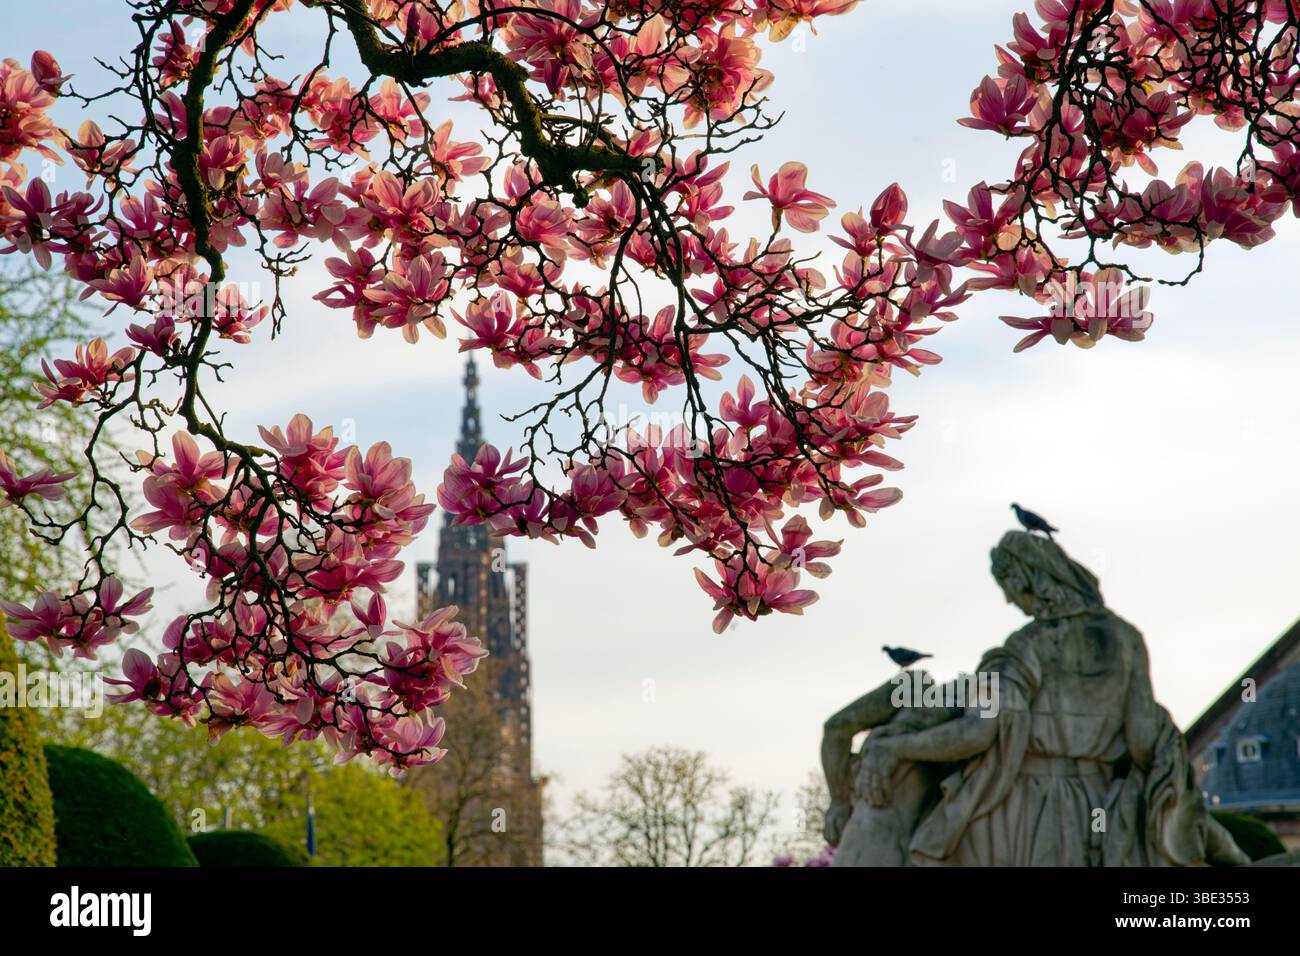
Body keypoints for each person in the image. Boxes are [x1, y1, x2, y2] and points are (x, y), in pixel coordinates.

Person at [823, 531, 1248, 866]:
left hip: (1025, 811)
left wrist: (895, 748)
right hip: (1098, 804)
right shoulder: (1126, 640)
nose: (1010, 598)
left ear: (1024, 578)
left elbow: (978, 730)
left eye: (1008, 586)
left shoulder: (1027, 647)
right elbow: (1141, 741)